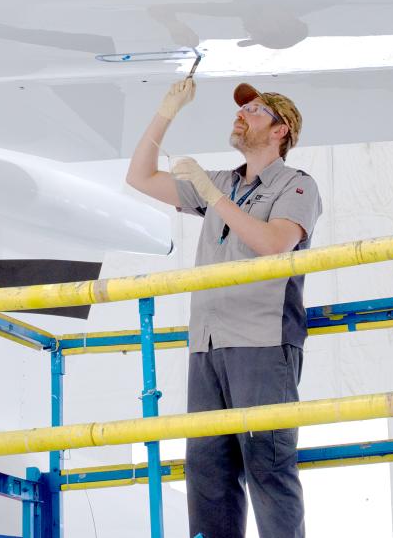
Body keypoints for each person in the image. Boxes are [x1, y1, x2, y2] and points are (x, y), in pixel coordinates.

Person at [125, 78, 322, 538]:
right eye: (242, 108)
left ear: (281, 130)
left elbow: (274, 244)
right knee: (208, 474)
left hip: (262, 342)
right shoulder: (222, 182)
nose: (242, 114)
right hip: (207, 345)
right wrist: (166, 110)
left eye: (255, 110)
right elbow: (139, 177)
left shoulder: (297, 186)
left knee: (267, 465)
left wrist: (212, 198)